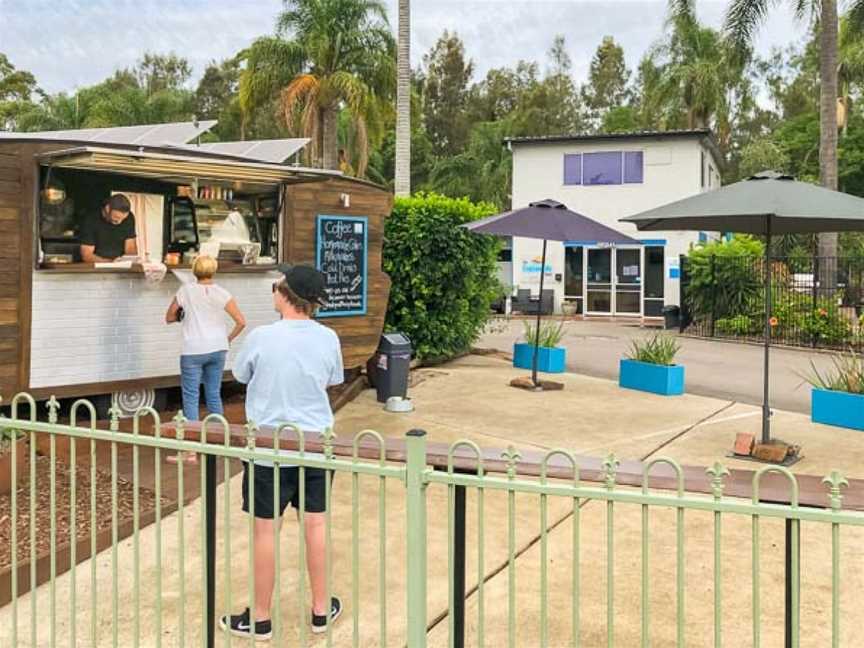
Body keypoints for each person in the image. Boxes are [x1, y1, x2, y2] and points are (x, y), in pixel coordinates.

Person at [220, 265, 343, 641]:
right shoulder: (328, 338)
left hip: (268, 449)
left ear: (285, 294)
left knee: (264, 533)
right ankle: (321, 611)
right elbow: (333, 379)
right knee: (316, 526)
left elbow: (240, 374)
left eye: (276, 286)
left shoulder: (261, 337)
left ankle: (259, 619)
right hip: (315, 445)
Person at [165, 255, 246, 464]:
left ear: (194, 270)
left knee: (191, 397)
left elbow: (169, 317)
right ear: (214, 270)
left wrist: (183, 314)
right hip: (218, 348)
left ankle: (190, 451)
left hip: (193, 348)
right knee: (213, 393)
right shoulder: (222, 293)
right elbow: (241, 322)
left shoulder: (186, 291)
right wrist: (227, 339)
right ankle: (218, 442)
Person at [79, 193, 138, 262]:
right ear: (107, 208)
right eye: (116, 217)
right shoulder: (91, 220)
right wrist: (111, 263)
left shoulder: (129, 218)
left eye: (123, 219)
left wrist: (128, 262)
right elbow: (87, 255)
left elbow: (131, 249)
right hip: (98, 264)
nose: (120, 222)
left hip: (121, 265)